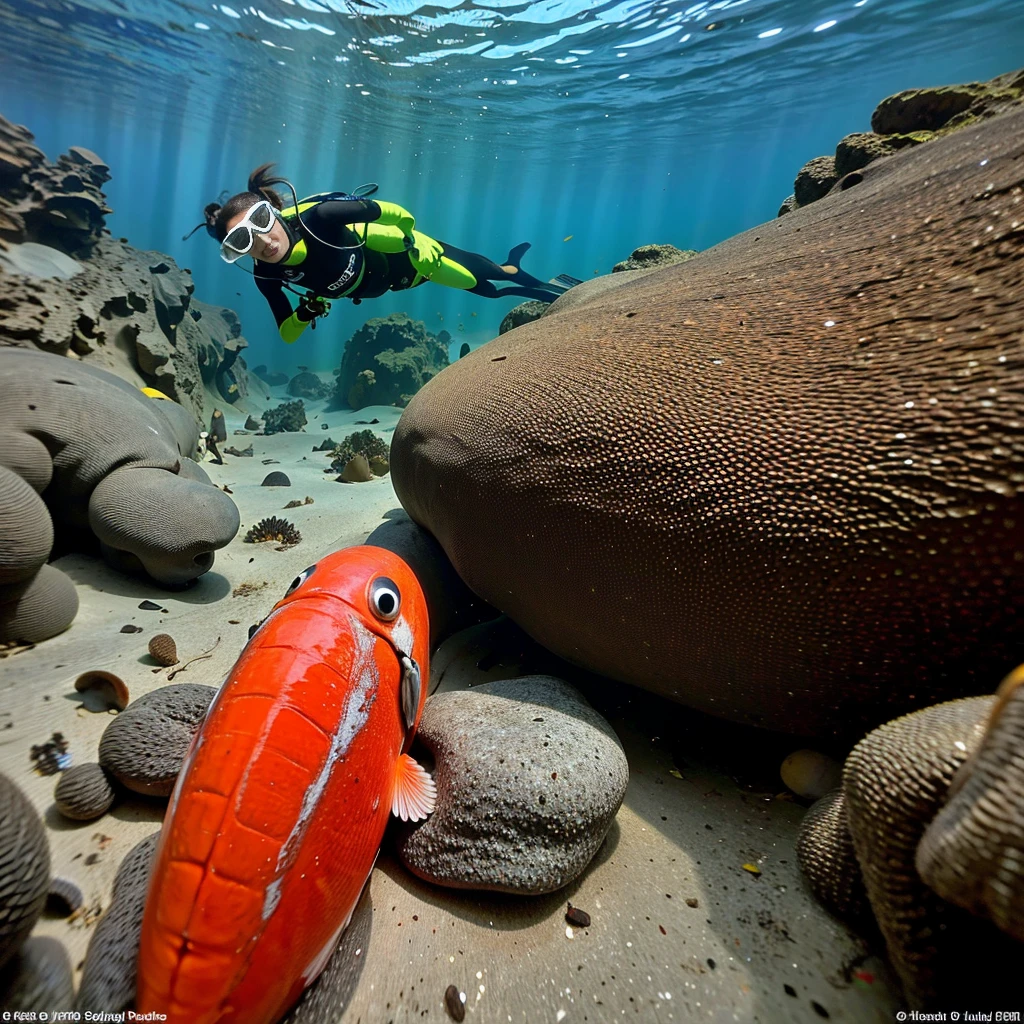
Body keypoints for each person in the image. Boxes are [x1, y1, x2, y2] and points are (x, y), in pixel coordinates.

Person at [190, 164, 573, 345]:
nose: (260, 241)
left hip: (413, 258)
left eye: (260, 220)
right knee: (485, 289)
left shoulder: (319, 218)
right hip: (390, 285)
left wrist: (411, 240)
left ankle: (548, 287)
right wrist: (304, 313)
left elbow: (399, 215)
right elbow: (288, 335)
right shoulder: (266, 276)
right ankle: (520, 273)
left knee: (491, 278)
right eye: (240, 241)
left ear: (272, 210)